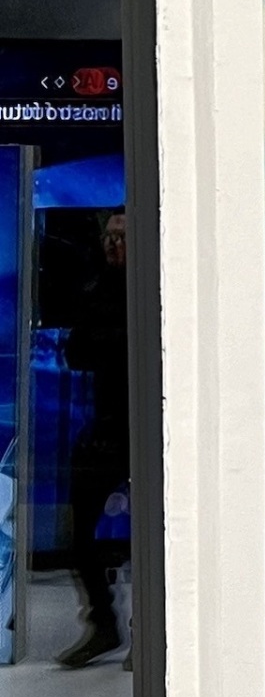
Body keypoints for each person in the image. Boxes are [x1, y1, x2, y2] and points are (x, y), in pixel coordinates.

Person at [57, 211, 131, 669]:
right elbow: (77, 353)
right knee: (77, 531)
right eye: (109, 236)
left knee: (162, 532)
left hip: (154, 423)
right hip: (106, 424)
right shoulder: (95, 288)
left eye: (122, 236)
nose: (113, 244)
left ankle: (154, 630)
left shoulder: (158, 285)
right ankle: (103, 623)